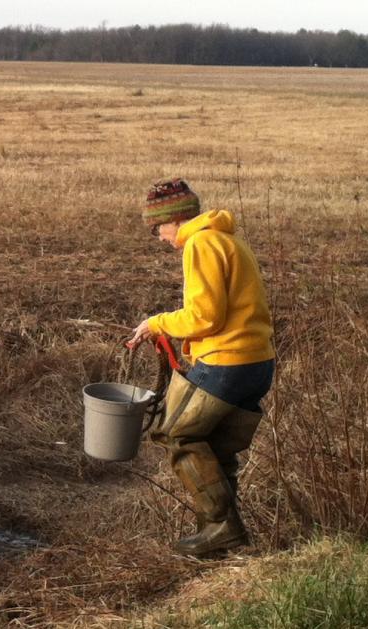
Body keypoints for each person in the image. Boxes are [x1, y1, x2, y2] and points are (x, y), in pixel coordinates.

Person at [124, 177, 276, 558]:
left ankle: (221, 529)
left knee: (177, 435)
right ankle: (223, 541)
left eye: (157, 228)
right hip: (257, 361)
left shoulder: (201, 243)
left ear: (174, 220)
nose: (158, 237)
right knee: (218, 448)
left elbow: (204, 317)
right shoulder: (228, 239)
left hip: (228, 361)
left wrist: (157, 323)